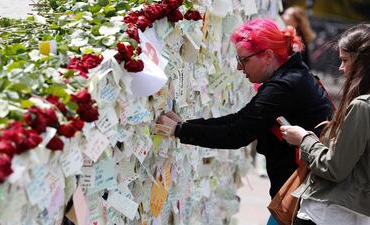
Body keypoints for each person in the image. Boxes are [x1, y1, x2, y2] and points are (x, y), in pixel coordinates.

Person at [155, 18, 333, 225]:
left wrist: (180, 130)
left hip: (304, 202)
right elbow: (242, 118)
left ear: (267, 56)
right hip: (304, 196)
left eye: (244, 60)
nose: (240, 68)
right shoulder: (292, 75)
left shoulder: (284, 86)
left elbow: (237, 134)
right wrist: (184, 126)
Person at [280, 24, 370, 225]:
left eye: (345, 60)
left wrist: (304, 139)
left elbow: (334, 167)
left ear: (363, 62)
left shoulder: (362, 106)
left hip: (330, 213)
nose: (341, 68)